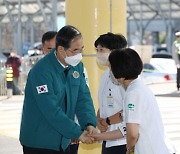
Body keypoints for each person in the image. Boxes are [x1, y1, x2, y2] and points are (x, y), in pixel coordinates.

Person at [19, 25, 97, 154]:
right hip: (40, 142)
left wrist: (89, 124)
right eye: (75, 50)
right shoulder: (41, 72)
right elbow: (50, 109)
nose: (79, 55)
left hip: (63, 141)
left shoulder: (76, 67)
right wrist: (77, 133)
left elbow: (83, 98)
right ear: (61, 49)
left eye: (81, 49)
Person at [108, 48, 176, 154]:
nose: (110, 70)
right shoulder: (139, 87)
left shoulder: (133, 93)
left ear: (118, 69)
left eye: (111, 66)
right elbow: (127, 129)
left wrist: (129, 149)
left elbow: (132, 133)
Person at [93, 32, 127, 154]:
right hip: (107, 140)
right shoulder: (105, 75)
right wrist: (98, 119)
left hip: (123, 141)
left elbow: (132, 109)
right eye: (97, 50)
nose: (98, 53)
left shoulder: (126, 77)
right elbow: (103, 103)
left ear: (114, 51)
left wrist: (108, 121)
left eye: (101, 49)